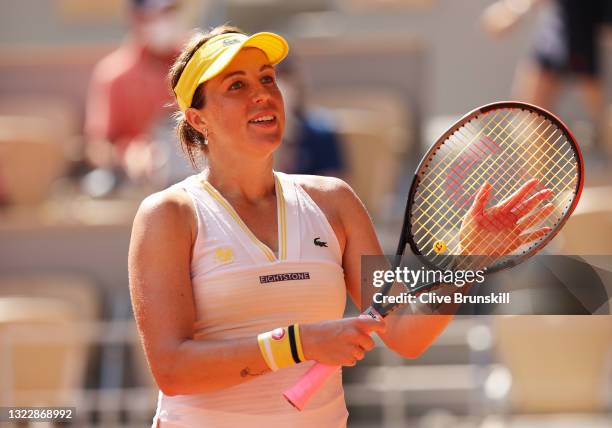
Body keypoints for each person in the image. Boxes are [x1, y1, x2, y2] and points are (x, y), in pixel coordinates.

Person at [128, 25, 553, 427]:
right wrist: (299, 344)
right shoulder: (168, 215)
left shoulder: (334, 202)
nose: (262, 95)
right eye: (237, 85)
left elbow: (405, 331)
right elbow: (173, 369)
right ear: (198, 119)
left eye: (268, 79)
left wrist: (465, 262)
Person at [482, 0, 612, 150]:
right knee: (530, 115)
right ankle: (535, 173)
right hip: (559, 32)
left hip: (586, 33)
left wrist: (513, 9)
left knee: (603, 118)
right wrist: (513, 9)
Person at [85, 0, 186, 185]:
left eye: (171, 11)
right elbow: (99, 148)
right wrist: (130, 154)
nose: (167, 20)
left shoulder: (195, 64)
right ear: (136, 18)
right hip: (141, 183)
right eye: (159, 12)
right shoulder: (113, 74)